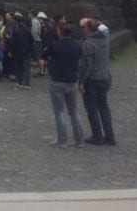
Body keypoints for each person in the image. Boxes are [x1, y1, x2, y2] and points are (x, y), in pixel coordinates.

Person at [46, 22, 84, 147]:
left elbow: (44, 55)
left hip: (57, 80)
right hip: (71, 80)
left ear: (59, 32)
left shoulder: (55, 45)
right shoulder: (77, 46)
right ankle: (80, 140)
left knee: (59, 111)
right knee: (73, 111)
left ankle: (62, 140)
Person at [78, 18, 116, 146]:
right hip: (104, 77)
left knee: (92, 109)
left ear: (87, 29)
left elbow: (86, 66)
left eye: (83, 27)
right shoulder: (105, 39)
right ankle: (110, 136)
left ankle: (97, 136)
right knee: (104, 107)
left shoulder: (88, 44)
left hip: (92, 80)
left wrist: (81, 82)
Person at [12, 12, 34, 89]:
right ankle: (27, 84)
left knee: (19, 67)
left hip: (18, 50)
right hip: (26, 50)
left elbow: (13, 41)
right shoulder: (26, 28)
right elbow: (31, 39)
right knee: (26, 67)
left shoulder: (15, 29)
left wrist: (11, 50)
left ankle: (19, 82)